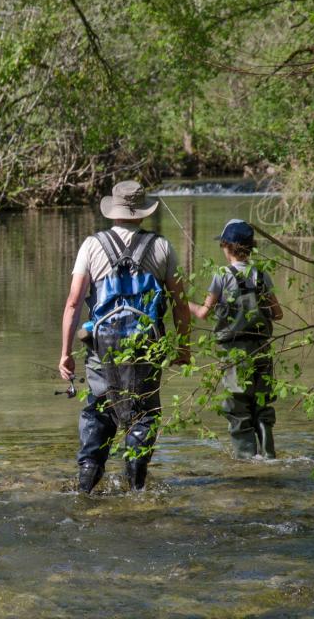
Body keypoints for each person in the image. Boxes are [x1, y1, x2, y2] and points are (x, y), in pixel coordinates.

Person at [59, 180, 190, 493]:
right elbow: (180, 305)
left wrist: (64, 353)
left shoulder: (92, 245)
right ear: (142, 213)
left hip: (100, 343)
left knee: (100, 407)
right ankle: (136, 483)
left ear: (113, 211)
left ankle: (87, 484)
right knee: (144, 412)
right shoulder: (161, 246)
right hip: (147, 342)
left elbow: (74, 302)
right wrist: (183, 348)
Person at [189, 219, 283, 459]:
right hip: (262, 348)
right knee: (262, 404)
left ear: (227, 247)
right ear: (251, 248)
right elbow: (277, 313)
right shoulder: (262, 275)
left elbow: (202, 313)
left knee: (238, 407)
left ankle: (248, 461)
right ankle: (269, 456)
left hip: (233, 353)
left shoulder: (221, 275)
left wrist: (180, 302)